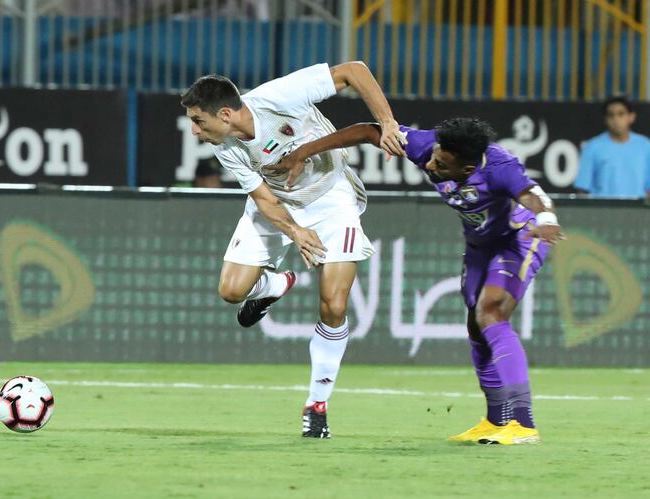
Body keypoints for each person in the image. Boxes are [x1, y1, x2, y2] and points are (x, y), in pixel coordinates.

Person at [269, 118, 564, 445]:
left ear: (466, 170)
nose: (431, 164)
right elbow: (370, 130)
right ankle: (496, 421)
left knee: (491, 313)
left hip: (519, 239)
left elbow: (533, 194)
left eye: (441, 164)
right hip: (479, 245)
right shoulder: (427, 145)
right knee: (476, 327)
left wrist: (548, 220)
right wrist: (303, 152)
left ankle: (523, 423)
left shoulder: (499, 167)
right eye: (434, 156)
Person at [180, 61, 406, 438]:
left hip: (330, 197)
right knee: (231, 291)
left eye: (198, 121)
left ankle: (317, 403)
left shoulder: (277, 97)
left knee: (334, 304)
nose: (195, 130)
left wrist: (390, 123)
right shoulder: (226, 146)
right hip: (278, 206)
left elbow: (354, 70)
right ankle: (273, 285)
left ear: (224, 114)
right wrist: (295, 230)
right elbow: (264, 199)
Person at [574, 95, 650, 198]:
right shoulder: (592, 147)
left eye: (621, 114)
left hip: (637, 211)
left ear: (631, 117)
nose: (616, 120)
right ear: (605, 119)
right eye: (611, 115)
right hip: (602, 211)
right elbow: (582, 189)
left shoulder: (645, 146)